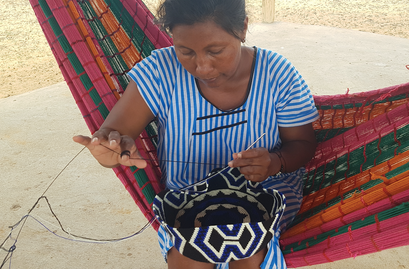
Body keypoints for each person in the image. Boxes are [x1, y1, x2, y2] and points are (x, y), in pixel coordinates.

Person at [73, 0, 319, 268]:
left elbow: (303, 144)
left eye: (216, 51)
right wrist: (108, 152)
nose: (202, 67)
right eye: (185, 51)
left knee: (248, 247)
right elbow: (113, 140)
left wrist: (274, 162)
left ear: (243, 29)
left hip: (265, 191)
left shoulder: (277, 74)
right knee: (189, 254)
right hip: (186, 199)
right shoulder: (159, 72)